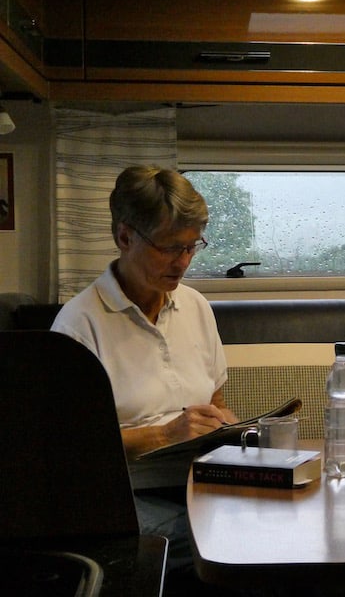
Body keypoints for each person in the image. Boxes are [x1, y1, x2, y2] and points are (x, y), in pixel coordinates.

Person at [51, 165, 238, 593]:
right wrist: (166, 434)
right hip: (119, 495)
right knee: (220, 539)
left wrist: (226, 425)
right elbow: (70, 451)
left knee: (281, 517)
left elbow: (216, 401)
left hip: (195, 478)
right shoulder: (79, 326)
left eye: (192, 246)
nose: (183, 262)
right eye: (170, 248)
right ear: (124, 237)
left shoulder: (195, 306)